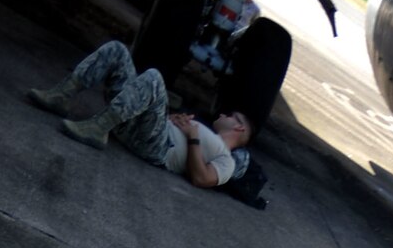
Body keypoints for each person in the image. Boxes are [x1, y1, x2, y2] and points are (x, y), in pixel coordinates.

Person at [28, 41, 253, 189]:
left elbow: (202, 178)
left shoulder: (227, 161)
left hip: (158, 147)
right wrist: (172, 120)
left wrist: (192, 136)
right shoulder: (207, 134)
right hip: (144, 126)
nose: (225, 114)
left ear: (239, 128)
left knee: (154, 78)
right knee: (118, 51)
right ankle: (62, 95)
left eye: (232, 116)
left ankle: (98, 129)